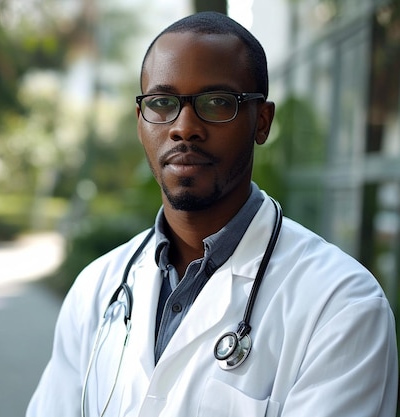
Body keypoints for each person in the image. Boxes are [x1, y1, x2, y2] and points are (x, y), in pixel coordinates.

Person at [26, 11, 398, 417]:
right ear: (141, 121)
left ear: (262, 121)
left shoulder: (341, 303)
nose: (184, 127)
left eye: (217, 103)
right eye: (162, 103)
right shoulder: (97, 288)